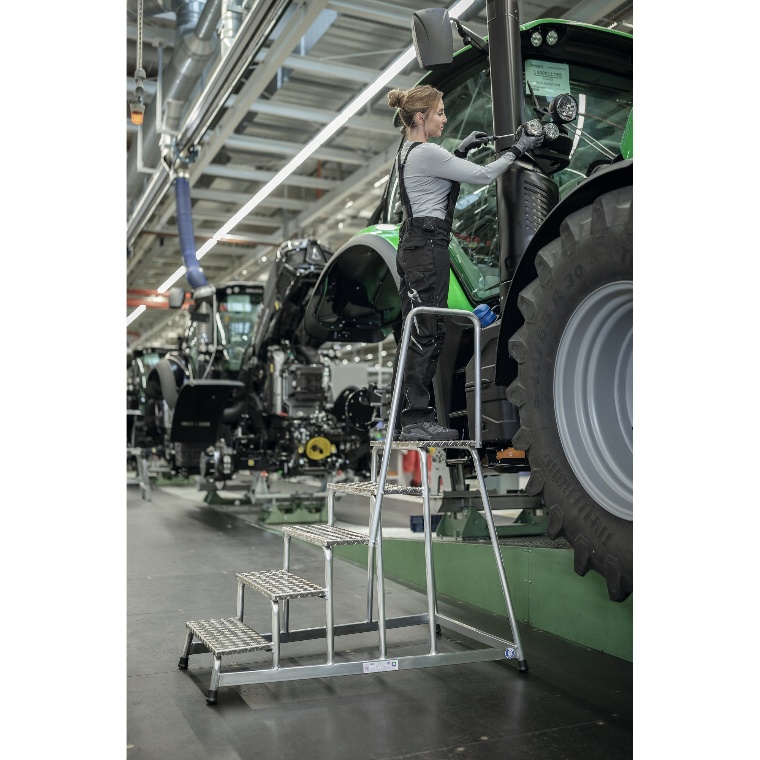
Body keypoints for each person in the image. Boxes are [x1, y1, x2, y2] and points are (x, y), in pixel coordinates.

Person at [387, 84, 544, 442]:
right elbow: (483, 175)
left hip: (416, 245)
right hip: (427, 247)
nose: (444, 119)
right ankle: (416, 419)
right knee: (426, 332)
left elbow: (438, 184)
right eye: (439, 113)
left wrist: (459, 150)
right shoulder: (427, 152)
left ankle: (402, 418)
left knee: (415, 331)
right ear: (420, 118)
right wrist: (518, 148)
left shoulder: (406, 152)